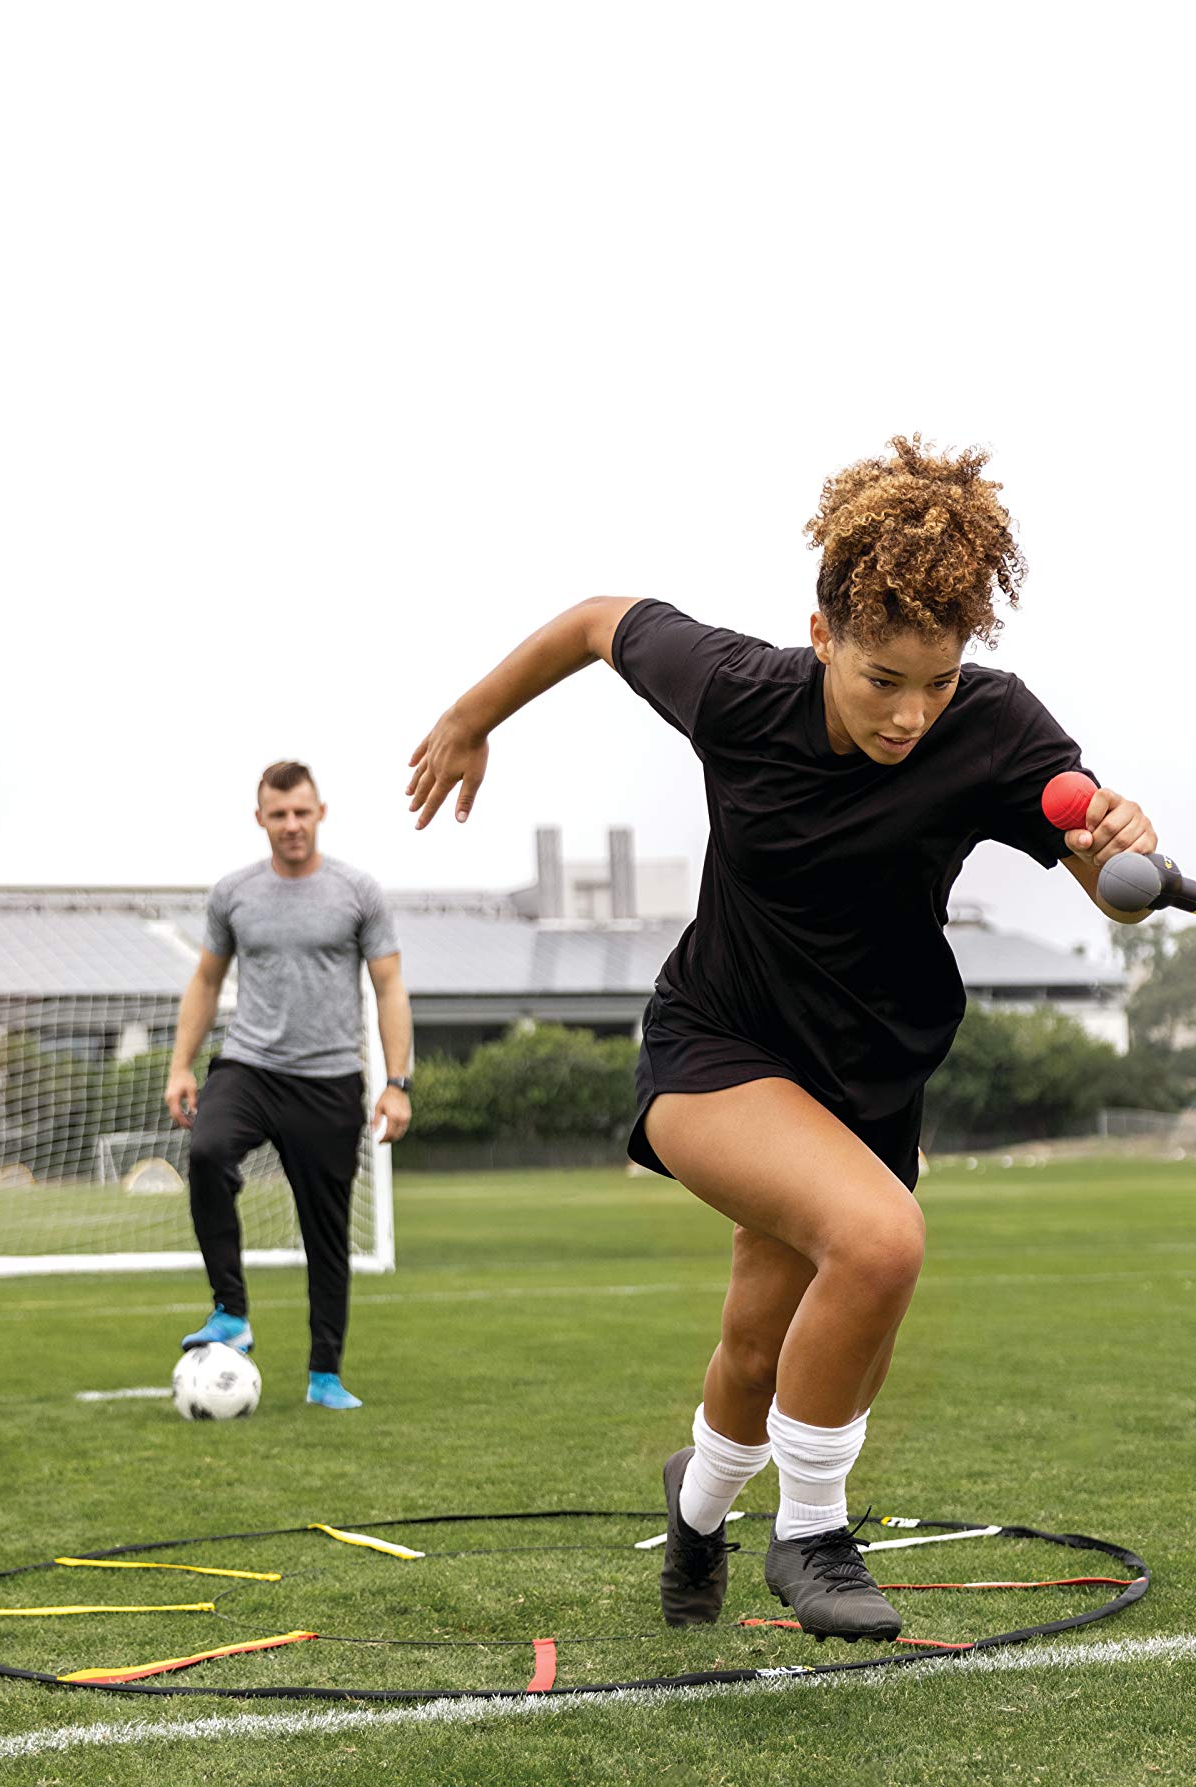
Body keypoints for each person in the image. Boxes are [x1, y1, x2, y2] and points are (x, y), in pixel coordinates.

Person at [407, 435, 1156, 1630]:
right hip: (719, 1048)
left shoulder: (996, 725)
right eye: (879, 680)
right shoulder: (736, 689)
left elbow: (1087, 861)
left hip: (871, 1077)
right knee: (880, 1240)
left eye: (937, 681)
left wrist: (1112, 843)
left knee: (766, 1336)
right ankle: (810, 1534)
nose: (911, 714)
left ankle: (696, 1514)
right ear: (821, 637)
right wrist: (469, 715)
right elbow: (600, 620)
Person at [164, 761, 413, 1409]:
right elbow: (206, 982)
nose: (292, 825)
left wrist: (397, 1081)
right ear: (261, 820)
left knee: (326, 1233)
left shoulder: (358, 892)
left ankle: (324, 1376)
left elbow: (389, 986)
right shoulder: (233, 894)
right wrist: (180, 1065)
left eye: (302, 812)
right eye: (279, 814)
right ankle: (230, 1311)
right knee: (208, 1151)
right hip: (248, 1066)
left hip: (329, 1080)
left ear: (320, 813)